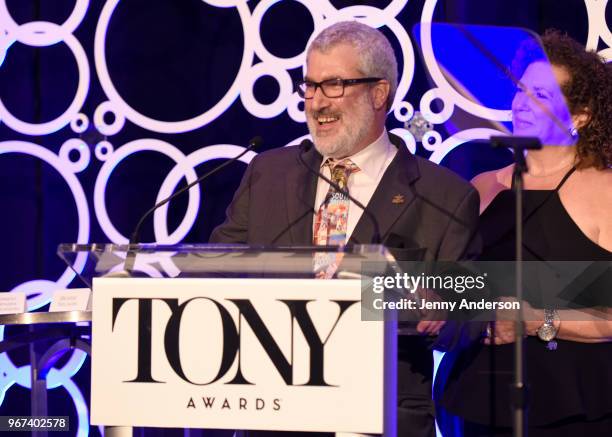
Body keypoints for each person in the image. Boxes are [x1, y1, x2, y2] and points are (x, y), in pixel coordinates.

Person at [210, 21, 480, 437]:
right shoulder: (269, 173)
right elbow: (216, 271)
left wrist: (440, 313)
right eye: (310, 86)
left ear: (379, 92)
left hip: (379, 416)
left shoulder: (443, 196)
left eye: (334, 85)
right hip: (272, 414)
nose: (317, 103)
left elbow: (468, 319)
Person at [437, 30, 612, 436]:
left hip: (575, 405)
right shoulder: (482, 187)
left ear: (580, 115)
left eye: (543, 96)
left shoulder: (604, 190)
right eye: (521, 91)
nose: (523, 104)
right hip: (477, 398)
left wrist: (537, 321)